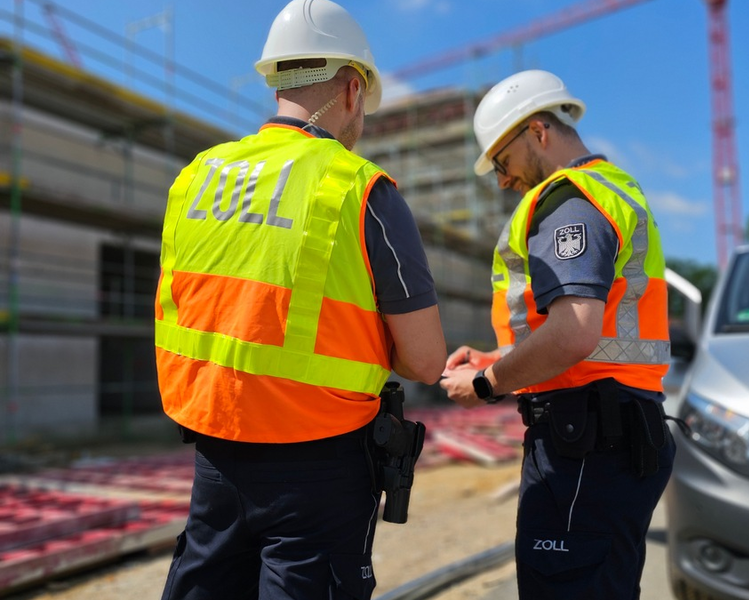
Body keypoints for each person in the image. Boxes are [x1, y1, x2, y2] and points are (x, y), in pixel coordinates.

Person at [154, 1, 446, 598]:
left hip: (215, 459)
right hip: (320, 469)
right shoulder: (361, 189)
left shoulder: (196, 177)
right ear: (352, 89)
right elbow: (424, 362)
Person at [439, 69, 675, 599]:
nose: (501, 180)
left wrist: (486, 383)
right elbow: (596, 334)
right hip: (612, 433)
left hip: (588, 444)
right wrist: (497, 354)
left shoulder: (569, 199)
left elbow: (573, 333)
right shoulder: (613, 190)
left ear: (538, 132)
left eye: (502, 161)